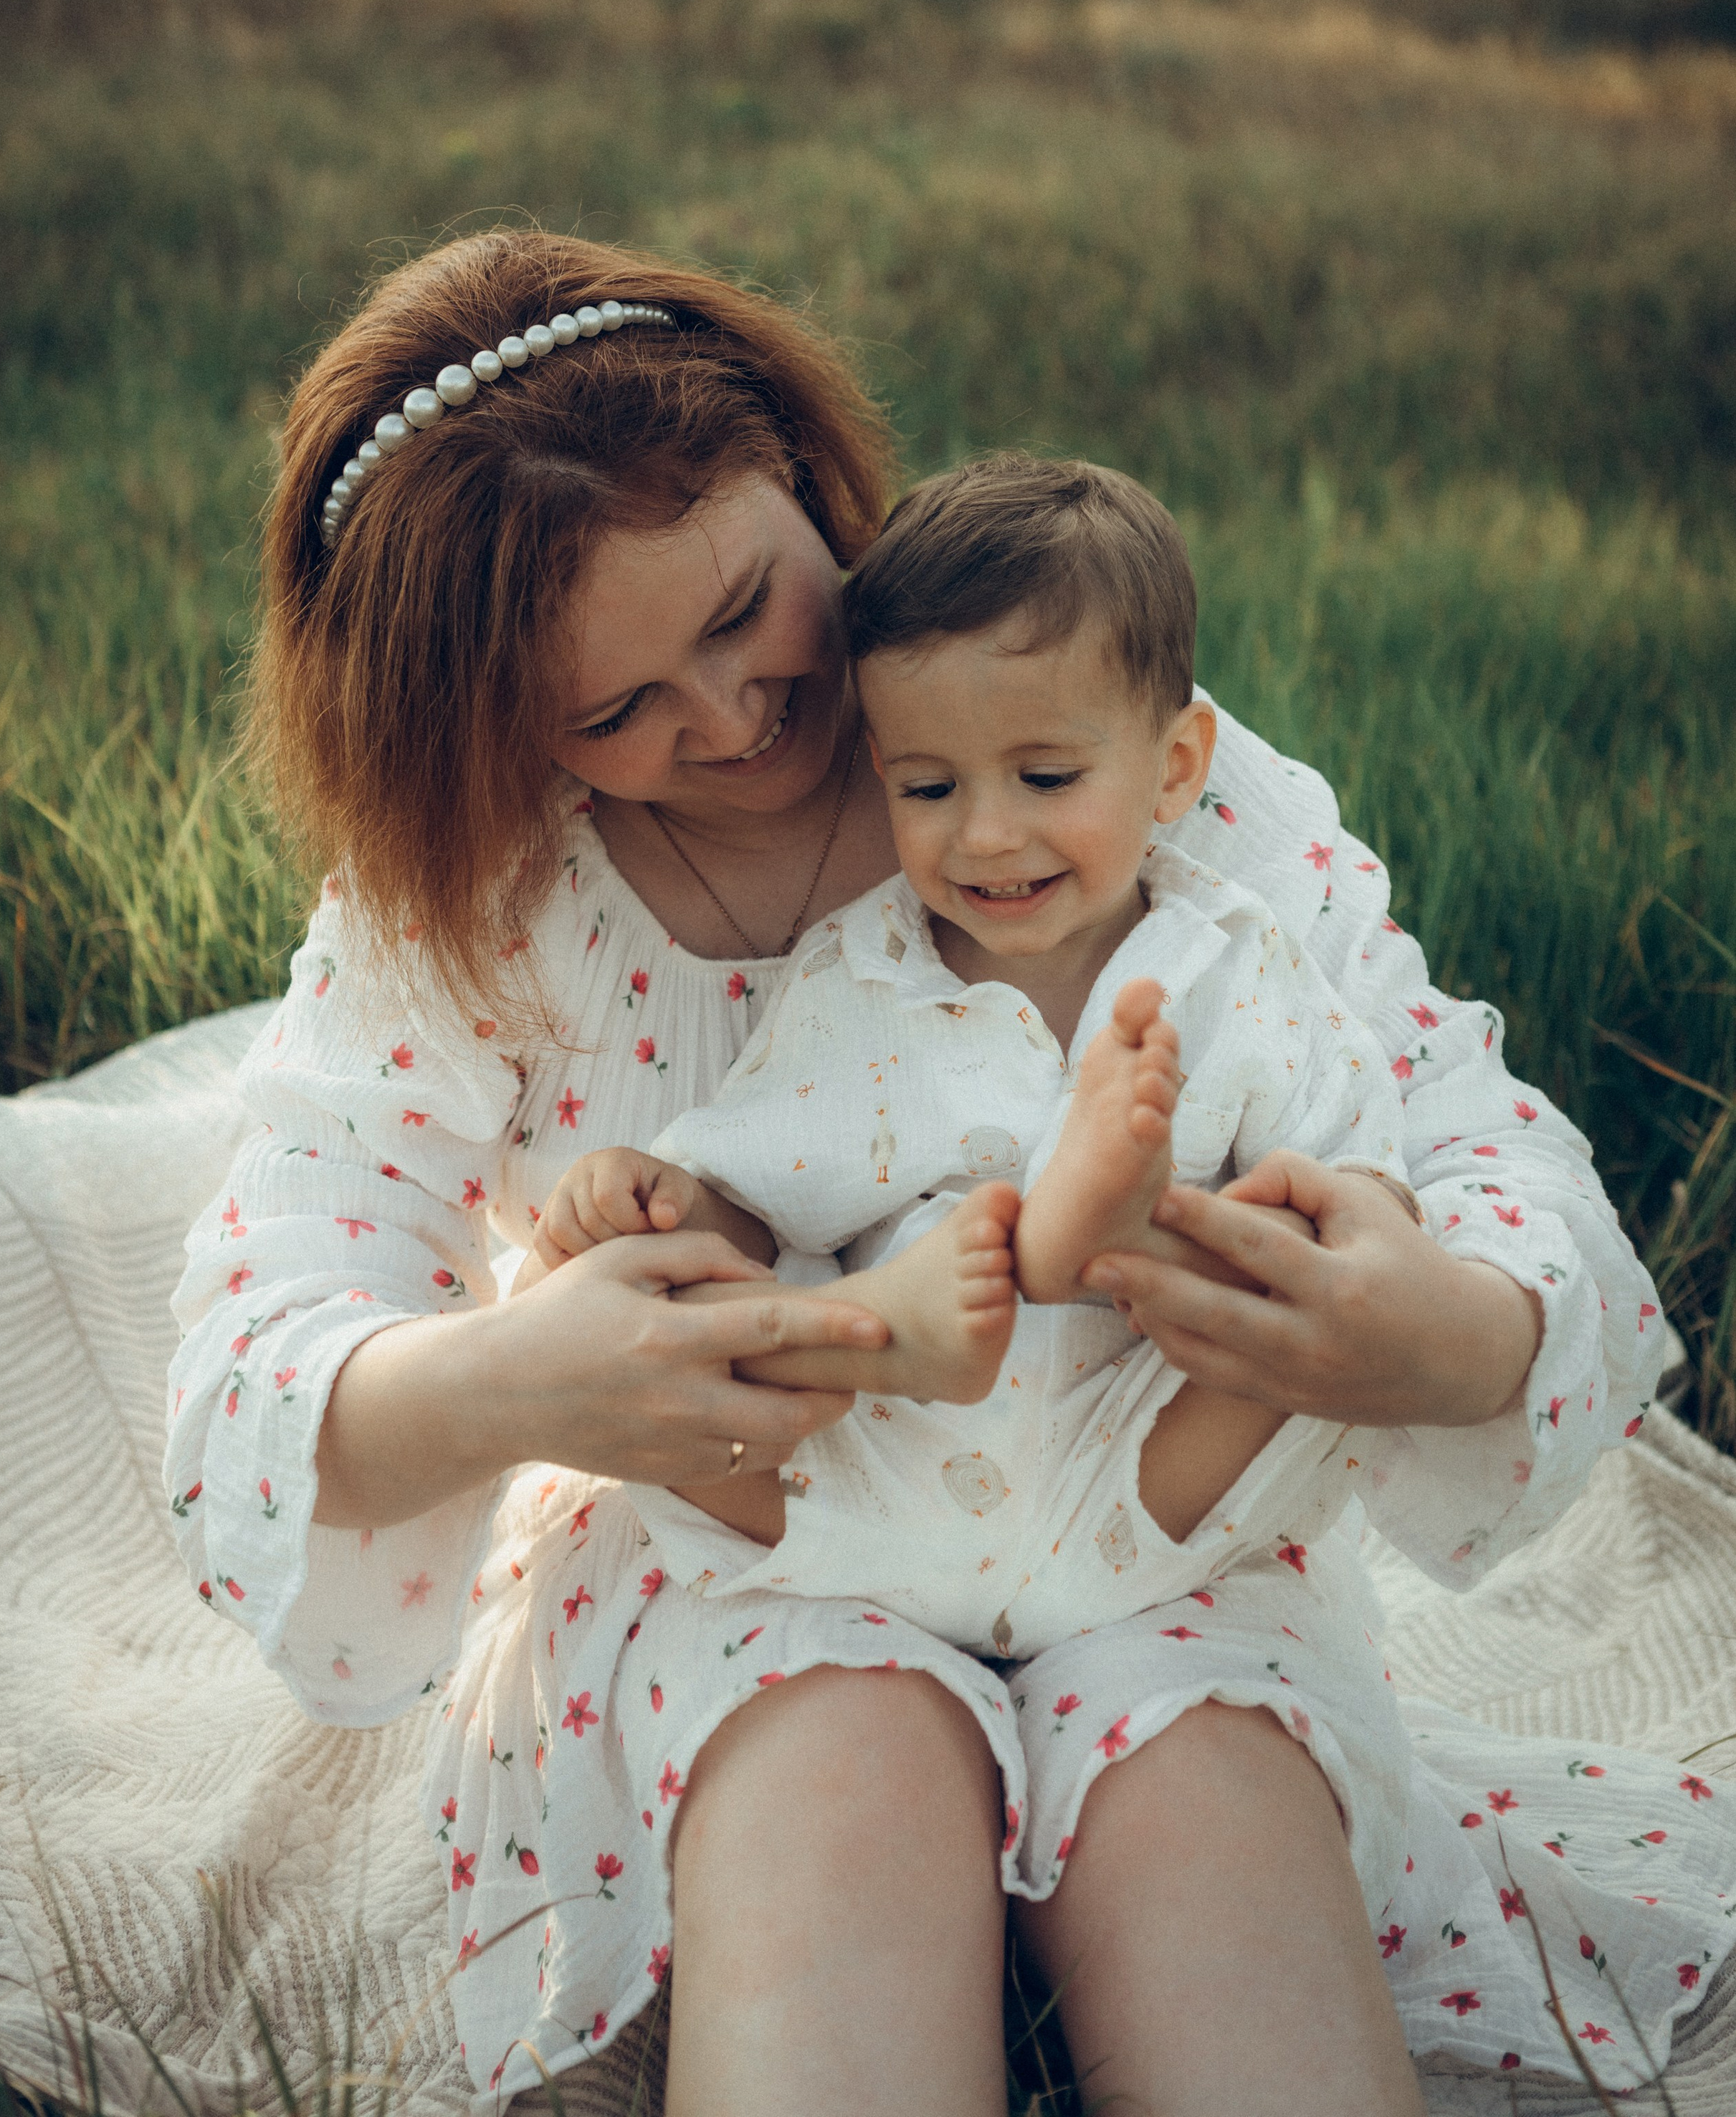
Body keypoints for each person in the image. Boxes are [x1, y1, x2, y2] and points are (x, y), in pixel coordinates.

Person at [167, 231, 1732, 2117]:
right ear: (493, 728)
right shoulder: (486, 904)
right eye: (616, 711)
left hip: (1161, 1528)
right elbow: (259, 1331)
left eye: (749, 609)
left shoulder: (1094, 763)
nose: (736, 717)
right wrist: (528, 1373)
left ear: (810, 478)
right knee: (838, 1778)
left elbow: (1462, 1122)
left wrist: (1455, 1334)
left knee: (1213, 1826)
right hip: (744, 1553)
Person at [523, 456, 1418, 1672]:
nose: (987, 833)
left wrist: (1319, 1239)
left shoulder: (1227, 970)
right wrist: (666, 1201)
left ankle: (1119, 1236)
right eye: (929, 786)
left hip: (1150, 1480)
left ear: (1175, 767)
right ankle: (895, 1318)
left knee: (1294, 1302)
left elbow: (1362, 1177)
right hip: (883, 1486)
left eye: (1046, 778)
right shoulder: (870, 978)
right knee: (664, 1366)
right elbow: (760, 1186)